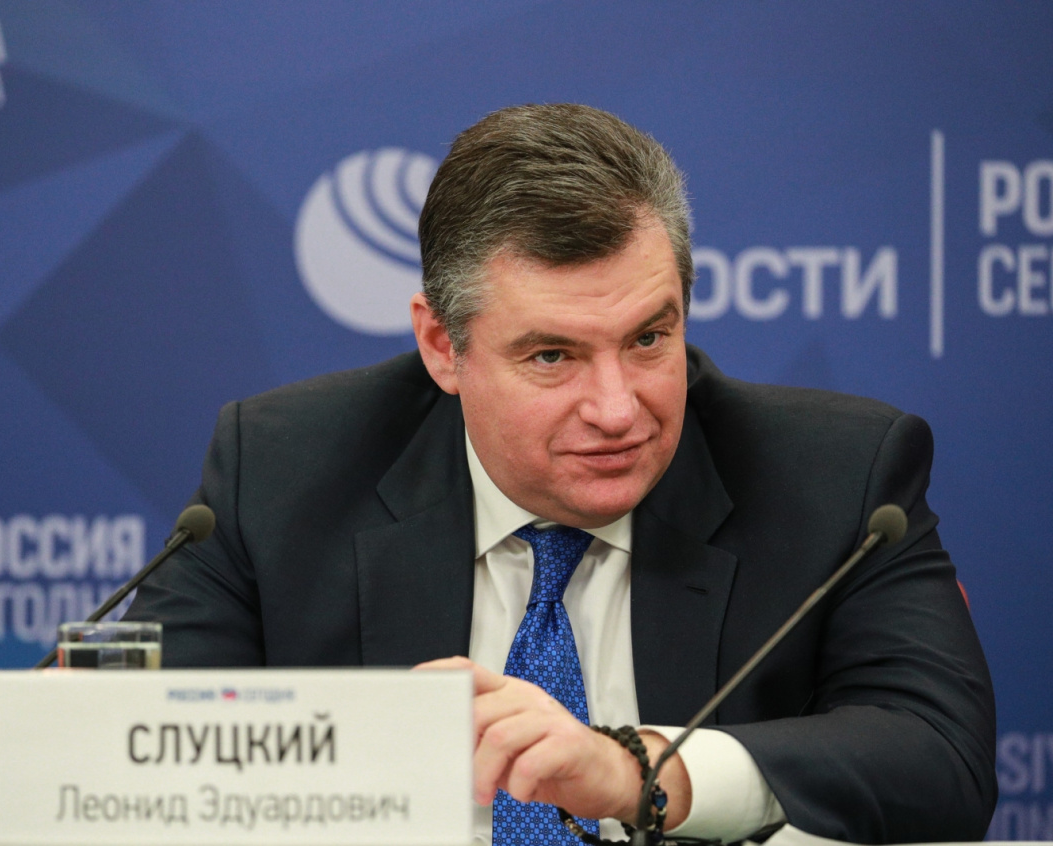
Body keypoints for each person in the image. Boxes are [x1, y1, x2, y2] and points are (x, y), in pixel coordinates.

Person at [125, 104, 996, 844]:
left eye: (649, 339)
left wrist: (643, 771)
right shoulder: (283, 470)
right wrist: (92, 732)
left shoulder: (838, 478)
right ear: (442, 345)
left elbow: (943, 757)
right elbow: (139, 759)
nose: (617, 409)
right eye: (552, 356)